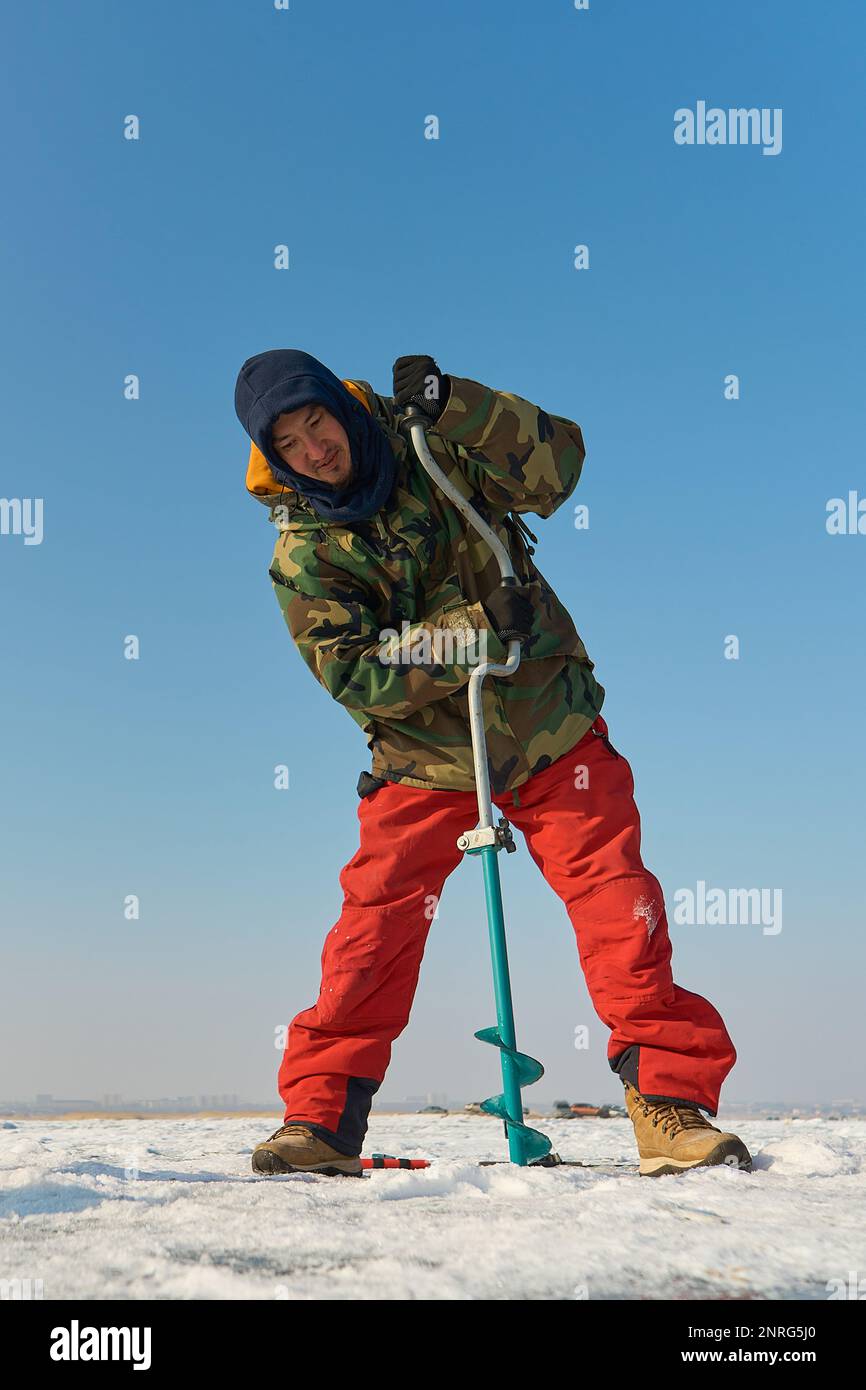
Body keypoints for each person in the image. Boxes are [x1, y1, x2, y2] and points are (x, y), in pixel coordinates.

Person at [234, 348, 752, 1179]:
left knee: (621, 905)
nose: (316, 449)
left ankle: (669, 1107)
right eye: (290, 442)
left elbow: (560, 467)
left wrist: (458, 404)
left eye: (318, 421)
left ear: (341, 405)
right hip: (425, 758)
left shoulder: (430, 444)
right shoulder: (305, 552)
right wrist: (476, 628)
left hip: (549, 722)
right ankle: (320, 1122)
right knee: (373, 930)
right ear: (276, 456)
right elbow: (355, 672)